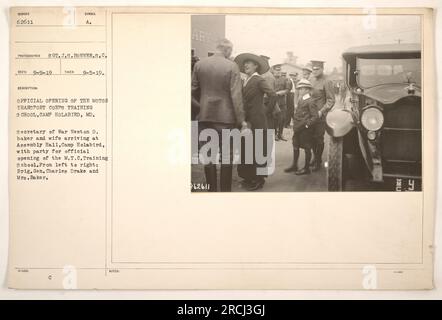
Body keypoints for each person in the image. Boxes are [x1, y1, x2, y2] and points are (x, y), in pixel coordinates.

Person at [191, 38, 248, 192]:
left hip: (205, 118)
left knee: (208, 157)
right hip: (226, 119)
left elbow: (191, 92)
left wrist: (200, 108)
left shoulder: (199, 64)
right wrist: (242, 120)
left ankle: (211, 192)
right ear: (228, 50)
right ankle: (224, 193)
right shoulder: (232, 66)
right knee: (227, 157)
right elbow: (236, 96)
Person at [234, 53, 277, 191]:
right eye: (244, 63)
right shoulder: (245, 80)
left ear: (256, 66)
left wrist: (265, 111)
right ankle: (249, 177)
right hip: (247, 121)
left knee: (258, 149)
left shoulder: (258, 79)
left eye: (249, 63)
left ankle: (259, 180)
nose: (245, 65)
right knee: (247, 149)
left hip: (258, 121)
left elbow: (273, 94)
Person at [284, 79, 319, 175]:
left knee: (307, 147)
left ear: (308, 90)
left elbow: (315, 116)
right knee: (295, 145)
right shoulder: (301, 99)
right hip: (298, 127)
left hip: (305, 129)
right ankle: (295, 165)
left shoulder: (311, 101)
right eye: (299, 89)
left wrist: (307, 124)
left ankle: (306, 168)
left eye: (302, 89)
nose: (300, 91)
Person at [309, 60, 335, 172]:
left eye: (317, 69)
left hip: (320, 116)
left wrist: (322, 111)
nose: (314, 71)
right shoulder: (311, 79)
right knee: (311, 138)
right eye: (313, 69)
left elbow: (331, 100)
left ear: (322, 69)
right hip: (310, 114)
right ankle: (315, 157)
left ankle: (318, 161)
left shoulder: (327, 81)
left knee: (318, 138)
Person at [260, 55, 278, 131]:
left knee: (267, 129)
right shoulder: (263, 74)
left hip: (266, 105)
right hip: (264, 104)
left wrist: (267, 110)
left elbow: (271, 95)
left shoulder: (267, 76)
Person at [272, 64, 290, 141]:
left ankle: (280, 134)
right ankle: (275, 134)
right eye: (276, 70)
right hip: (273, 102)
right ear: (273, 70)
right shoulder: (271, 78)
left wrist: (281, 92)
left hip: (282, 102)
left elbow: (287, 89)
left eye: (279, 70)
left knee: (282, 119)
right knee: (274, 119)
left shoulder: (285, 79)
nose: (278, 71)